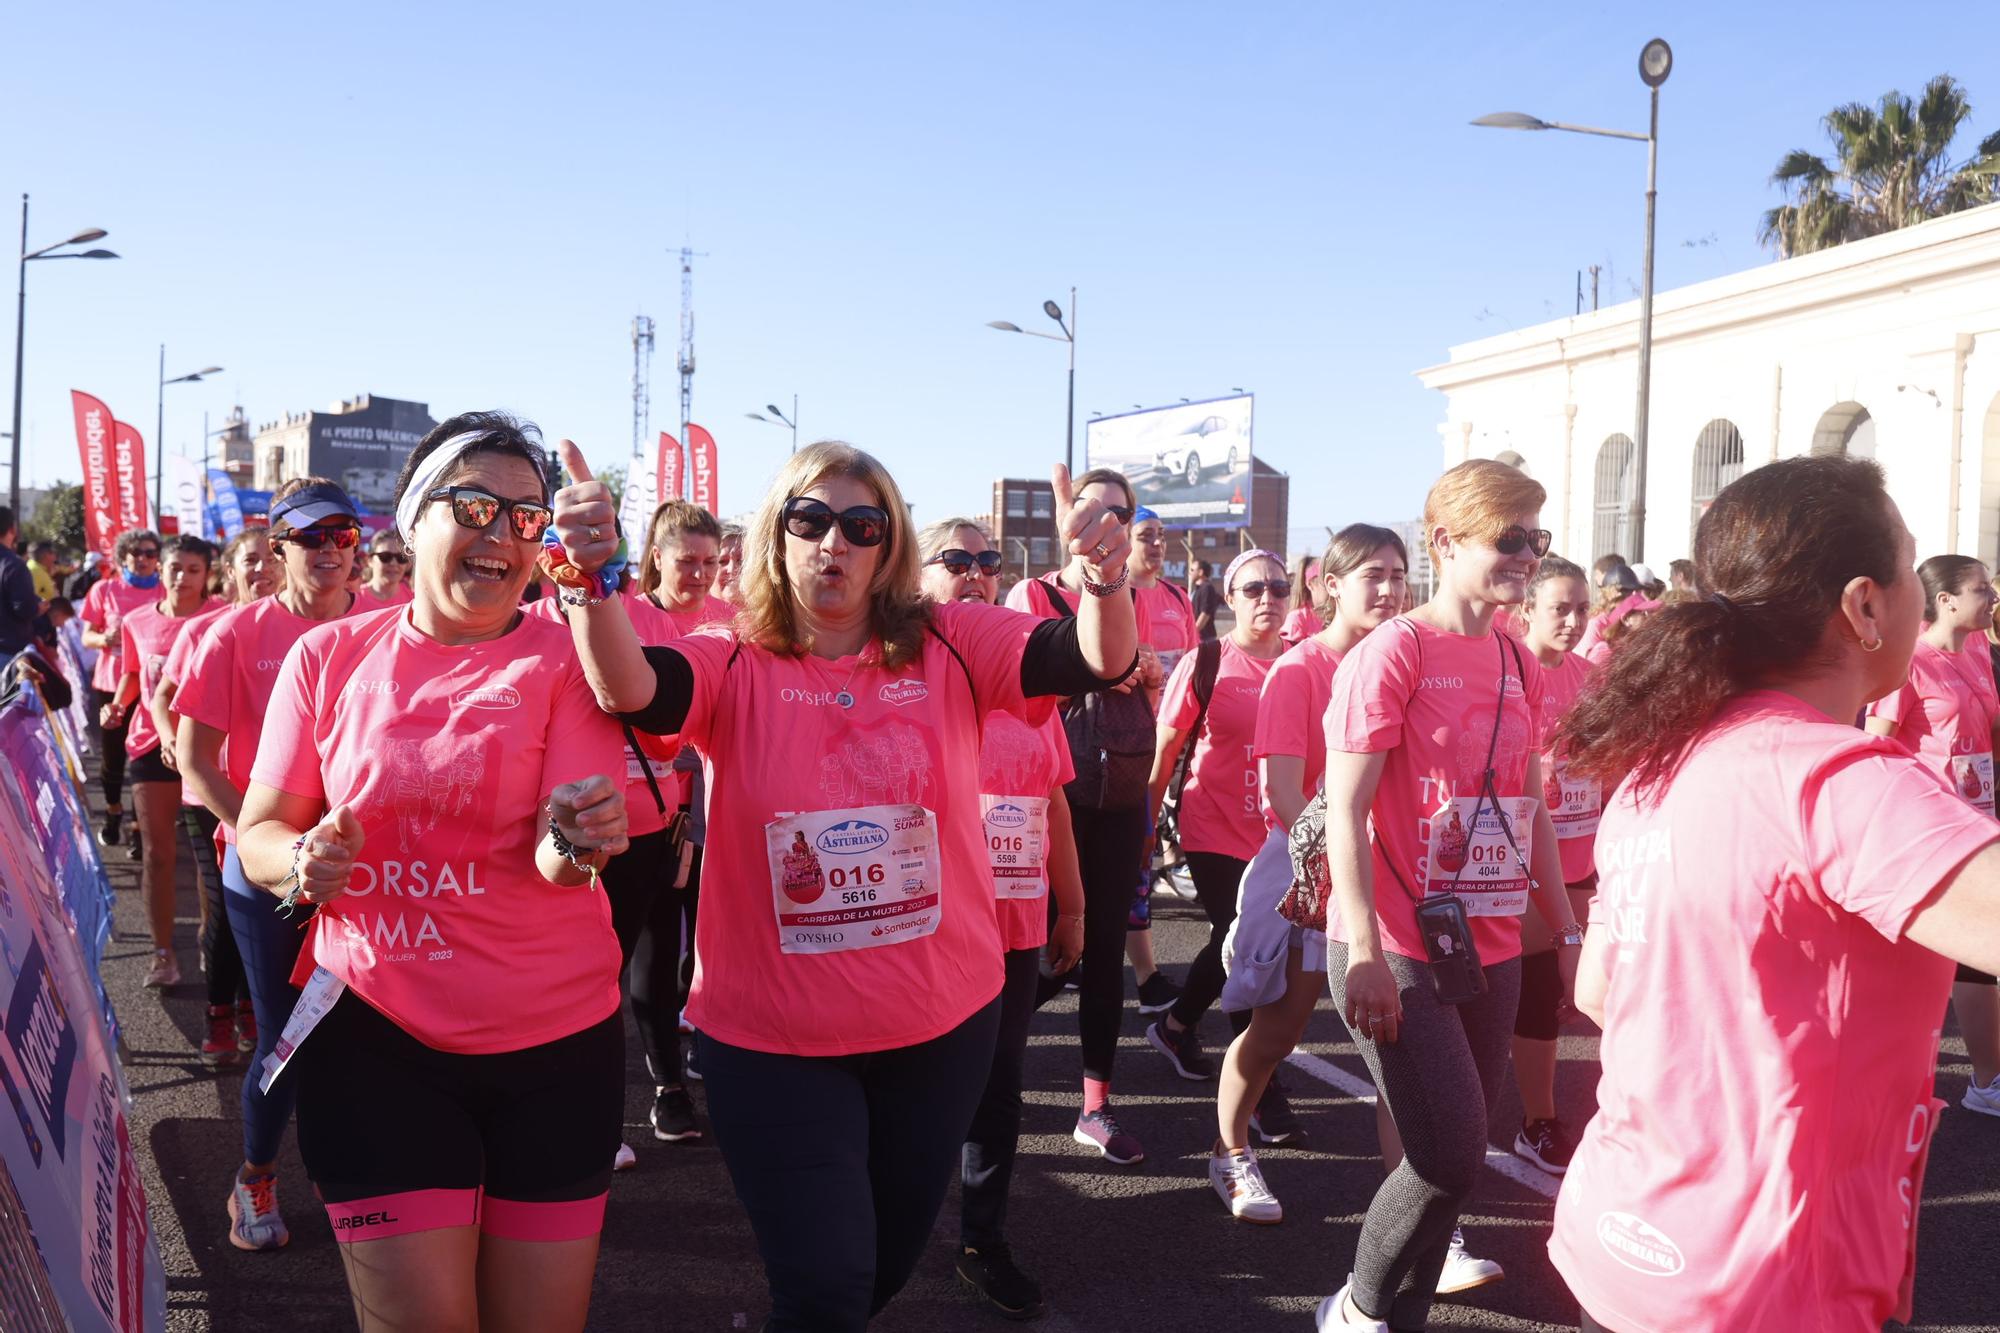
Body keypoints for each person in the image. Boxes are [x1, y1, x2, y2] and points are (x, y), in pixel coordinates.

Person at [549, 440, 1135, 1331]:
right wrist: (593, 580)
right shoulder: (732, 657)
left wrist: (1100, 579)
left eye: (863, 525)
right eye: (811, 519)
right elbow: (634, 688)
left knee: (881, 1268)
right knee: (824, 1285)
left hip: (938, 1026)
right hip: (774, 1038)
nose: (836, 542)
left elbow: (1085, 658)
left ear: (888, 545)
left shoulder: (952, 638)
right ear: (778, 537)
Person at [1550, 456, 2000, 1332]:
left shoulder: (1657, 763)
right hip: (1761, 1277)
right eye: (1911, 566)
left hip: (1624, 1236)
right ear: (1866, 605)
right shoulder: (1843, 779)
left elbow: (1598, 990)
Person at [237, 415, 630, 1331]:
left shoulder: (568, 658)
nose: (501, 533)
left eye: (526, 517)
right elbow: (260, 830)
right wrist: (300, 862)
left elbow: (562, 857)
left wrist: (576, 840)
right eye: (475, 506)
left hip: (556, 1044)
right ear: (414, 520)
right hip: (377, 1036)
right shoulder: (327, 658)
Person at [1316, 459, 1583, 1332]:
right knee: (1448, 1156)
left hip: (1493, 941)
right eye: (1510, 538)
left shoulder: (1515, 654)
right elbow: (1346, 816)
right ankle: (1355, 1312)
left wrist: (1566, 921)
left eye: (1535, 538)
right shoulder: (1394, 652)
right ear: (1446, 542)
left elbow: (1531, 800)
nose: (1527, 555)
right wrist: (1362, 952)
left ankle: (1400, 1318)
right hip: (1395, 943)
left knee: (1453, 1161)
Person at [175, 481, 367, 1253]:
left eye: (343, 534)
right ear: (278, 544)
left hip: (362, 869)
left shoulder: (384, 626)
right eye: (310, 536)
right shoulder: (235, 634)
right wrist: (265, 841)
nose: (329, 550)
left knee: (367, 1032)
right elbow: (193, 757)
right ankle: (255, 1172)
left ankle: (346, 1170)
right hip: (265, 877)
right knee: (288, 1034)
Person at [1209, 525, 1405, 1223]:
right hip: (1311, 878)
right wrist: (1345, 873)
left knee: (1397, 1048)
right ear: (1329, 587)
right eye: (1371, 575)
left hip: (1393, 885)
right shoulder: (1299, 671)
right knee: (1276, 1034)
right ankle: (1229, 1150)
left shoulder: (1403, 660)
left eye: (1397, 573)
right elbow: (1285, 796)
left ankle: (1425, 1218)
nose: (1388, 588)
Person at [916, 516, 1086, 1321]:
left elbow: (1052, 799)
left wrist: (1075, 904)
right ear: (919, 576)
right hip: (923, 932)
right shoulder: (908, 683)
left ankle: (983, 1237)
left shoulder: (1029, 691)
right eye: (957, 560)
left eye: (989, 562)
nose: (977, 572)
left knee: (998, 1088)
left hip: (1015, 930)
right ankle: (888, 1221)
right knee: (915, 1087)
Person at [552, 497, 731, 1151]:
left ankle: (675, 1071)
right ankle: (632, 1095)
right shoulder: (624, 612)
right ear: (657, 555)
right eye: (688, 560)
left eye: (713, 561)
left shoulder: (728, 619)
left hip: (702, 814)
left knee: (696, 952)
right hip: (625, 812)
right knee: (623, 957)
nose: (702, 574)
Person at [1005, 467, 1159, 1164]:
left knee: (1102, 953)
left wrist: (1145, 668)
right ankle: (967, 1049)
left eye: (1119, 512)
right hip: (1048, 793)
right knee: (1033, 944)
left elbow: (1148, 672)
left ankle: (1095, 1104)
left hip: (1120, 789)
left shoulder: (1138, 591)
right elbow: (1017, 689)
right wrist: (1096, 666)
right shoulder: (1031, 593)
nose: (1106, 522)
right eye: (1093, 509)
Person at [1145, 549, 1289, 1083]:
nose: (1267, 598)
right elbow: (1165, 755)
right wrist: (1145, 832)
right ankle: (1262, 1088)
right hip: (1213, 825)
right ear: (1230, 598)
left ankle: (1176, 1025)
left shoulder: (1303, 661)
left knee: (1247, 944)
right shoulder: (1206, 661)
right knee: (1241, 935)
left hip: (1278, 832)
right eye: (1253, 589)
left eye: (1278, 587)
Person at [1865, 554, 2000, 1116]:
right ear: (1944, 599)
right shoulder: (1911, 661)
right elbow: (1877, 741)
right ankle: (1986, 1083)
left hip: (1980, 816)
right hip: (1928, 825)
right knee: (1961, 956)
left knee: (1968, 952)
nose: (1991, 597)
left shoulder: (1978, 655)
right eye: (1980, 589)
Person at [154, 528, 275, 1065]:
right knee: (227, 909)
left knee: (272, 912)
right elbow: (166, 699)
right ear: (230, 571)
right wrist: (170, 740)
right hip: (210, 797)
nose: (263, 569)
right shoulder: (207, 629)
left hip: (278, 799)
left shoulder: (309, 627)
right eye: (250, 560)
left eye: (272, 558)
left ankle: (254, 1004)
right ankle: (219, 1010)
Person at [1507, 554, 1596, 1174]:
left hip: (1580, 856)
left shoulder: (1592, 676)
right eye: (1560, 608)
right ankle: (1532, 1118)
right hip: (1513, 860)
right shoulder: (1505, 669)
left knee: (1553, 996)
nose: (1573, 620)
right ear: (1527, 611)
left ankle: (1538, 1117)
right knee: (1516, 989)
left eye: (1582, 608)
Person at [108, 534, 223, 988]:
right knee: (158, 855)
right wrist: (117, 705)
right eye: (175, 568)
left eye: (193, 570)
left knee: (206, 860)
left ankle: (208, 940)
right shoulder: (136, 620)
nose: (182, 577)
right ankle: (162, 953)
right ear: (162, 570)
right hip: (151, 743)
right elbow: (134, 675)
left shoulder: (222, 619)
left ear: (207, 574)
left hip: (210, 746)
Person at [1124, 506, 1196, 1013]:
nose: (1157, 545)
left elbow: (1191, 671)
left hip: (1170, 743)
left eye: (1161, 536)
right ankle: (1144, 973)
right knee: (1132, 857)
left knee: (1145, 857)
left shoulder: (1176, 598)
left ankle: (1144, 973)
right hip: (1124, 746)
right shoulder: (1114, 596)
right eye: (1146, 535)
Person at [81, 529, 165, 853]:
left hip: (153, 689)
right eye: (136, 553)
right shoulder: (105, 590)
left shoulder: (165, 588)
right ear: (123, 557)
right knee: (113, 757)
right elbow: (87, 635)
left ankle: (138, 826)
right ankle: (114, 811)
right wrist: (104, 639)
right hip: (111, 683)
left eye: (150, 553)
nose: (143, 559)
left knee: (146, 759)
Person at [0, 507, 40, 657]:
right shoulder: (14, 564)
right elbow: (24, 609)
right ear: (12, 530)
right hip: (8, 651)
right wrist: (38, 607)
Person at [359, 529, 414, 605]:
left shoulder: (413, 600)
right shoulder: (354, 599)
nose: (393, 563)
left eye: (401, 557)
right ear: (369, 560)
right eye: (385, 556)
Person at [1280, 553, 1324, 647]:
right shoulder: (1296, 619)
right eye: (1325, 583)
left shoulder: (1333, 615)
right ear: (1310, 585)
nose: (1332, 588)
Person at [1190, 559, 1223, 639]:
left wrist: (1193, 632)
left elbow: (1205, 613)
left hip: (1205, 638)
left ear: (1200, 572)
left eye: (1192, 570)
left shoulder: (1207, 588)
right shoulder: (1198, 589)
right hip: (1199, 636)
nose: (1190, 573)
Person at [716, 521, 745, 604]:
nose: (731, 569)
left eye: (741, 561)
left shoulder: (772, 616)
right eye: (722, 561)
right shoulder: (688, 614)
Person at [27, 540, 58, 605]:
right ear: (46, 555)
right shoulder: (35, 571)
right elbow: (29, 599)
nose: (55, 557)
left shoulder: (37, 567)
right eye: (53, 553)